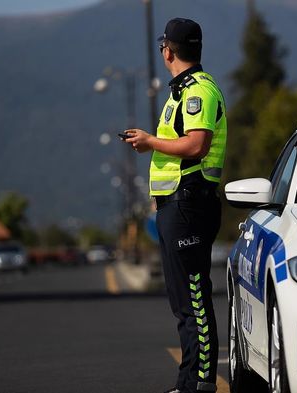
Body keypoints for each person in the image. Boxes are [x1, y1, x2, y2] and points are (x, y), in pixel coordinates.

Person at [122, 17, 226, 393]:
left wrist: (150, 142)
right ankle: (187, 383)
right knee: (183, 303)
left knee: (195, 299)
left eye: (163, 46)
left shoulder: (199, 90)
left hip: (189, 204)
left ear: (168, 51)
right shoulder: (180, 93)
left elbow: (197, 145)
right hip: (175, 206)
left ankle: (201, 384)